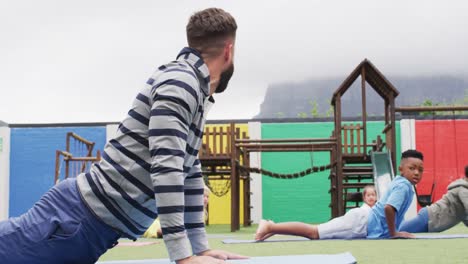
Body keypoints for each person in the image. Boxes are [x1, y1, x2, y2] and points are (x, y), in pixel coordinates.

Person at [0, 7, 246, 264]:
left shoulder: (194, 90)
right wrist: (183, 257)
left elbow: (189, 169)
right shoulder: (181, 82)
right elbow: (167, 166)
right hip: (71, 221)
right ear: (228, 51)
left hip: (87, 228)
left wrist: (200, 248)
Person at [255, 149, 423, 241]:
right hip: (362, 223)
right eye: (412, 168)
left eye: (420, 169)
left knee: (316, 231)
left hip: (364, 221)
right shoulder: (403, 186)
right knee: (314, 232)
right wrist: (394, 233)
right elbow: (388, 208)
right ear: (401, 169)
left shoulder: (401, 183)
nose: (416, 172)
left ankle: (273, 228)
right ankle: (270, 226)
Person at [400, 165, 468, 233]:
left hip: (431, 220)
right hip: (429, 218)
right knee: (396, 231)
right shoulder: (463, 190)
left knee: (401, 230)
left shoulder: (463, 188)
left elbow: (463, 215)